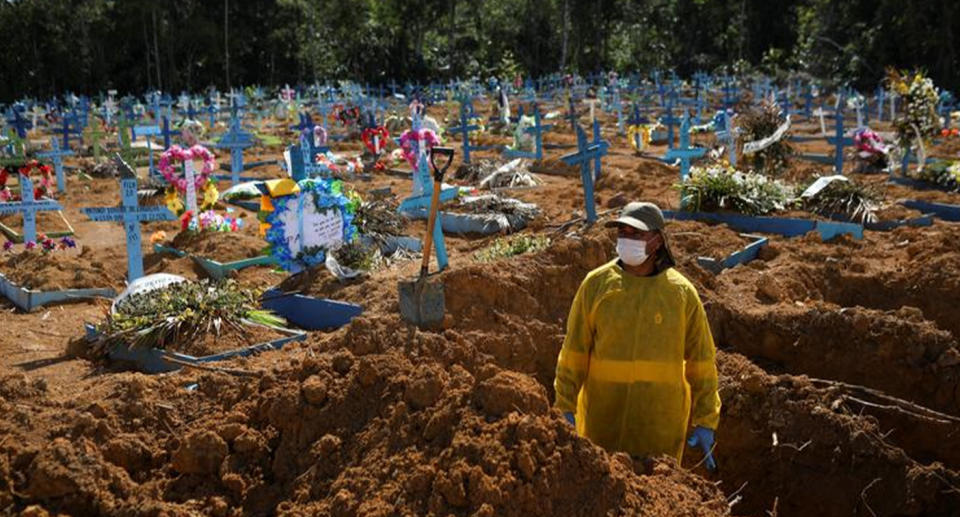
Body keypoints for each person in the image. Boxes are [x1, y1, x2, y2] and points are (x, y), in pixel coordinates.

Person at [554, 202, 721, 470]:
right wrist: (564, 405)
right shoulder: (596, 285)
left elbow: (702, 362)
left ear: (657, 241)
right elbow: (573, 352)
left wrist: (706, 420)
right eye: (623, 233)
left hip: (659, 433)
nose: (627, 240)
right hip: (602, 427)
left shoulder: (681, 294)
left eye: (636, 234)